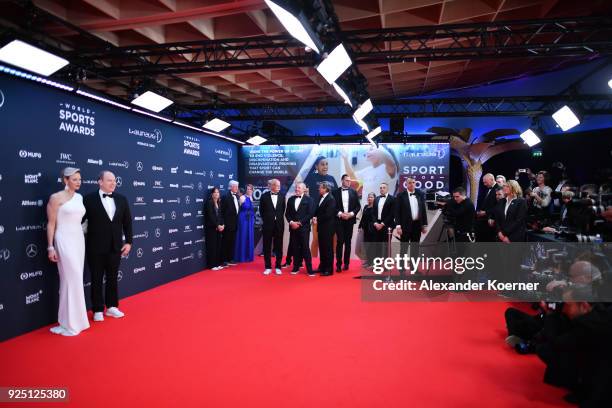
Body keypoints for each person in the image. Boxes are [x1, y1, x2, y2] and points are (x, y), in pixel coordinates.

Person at [82, 170, 132, 322]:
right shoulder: (88, 199)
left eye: (115, 180)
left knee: (112, 278)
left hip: (115, 247)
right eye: (109, 180)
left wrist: (129, 242)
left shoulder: (122, 199)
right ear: (100, 181)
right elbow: (79, 221)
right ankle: (97, 309)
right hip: (95, 247)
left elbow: (127, 223)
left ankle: (112, 307)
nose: (113, 183)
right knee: (96, 278)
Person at [46, 167, 90, 336]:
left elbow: (78, 220)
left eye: (80, 179)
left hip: (78, 239)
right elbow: (51, 224)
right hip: (63, 239)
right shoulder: (56, 198)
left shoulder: (79, 197)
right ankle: (70, 324)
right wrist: (50, 246)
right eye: (74, 179)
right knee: (71, 279)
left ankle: (70, 322)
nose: (78, 182)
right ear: (65, 180)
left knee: (72, 280)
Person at [394, 177, 428, 275]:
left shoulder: (420, 194)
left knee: (415, 248)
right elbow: (397, 212)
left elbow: (423, 211)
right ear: (406, 184)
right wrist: (398, 226)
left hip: (417, 225)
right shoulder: (400, 195)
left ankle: (414, 269)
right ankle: (401, 269)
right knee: (403, 248)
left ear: (415, 183)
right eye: (410, 183)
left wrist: (424, 225)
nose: (412, 184)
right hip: (404, 226)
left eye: (413, 182)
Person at [285, 183, 315, 276]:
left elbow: (310, 214)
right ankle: (295, 267)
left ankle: (309, 269)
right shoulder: (290, 199)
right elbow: (287, 214)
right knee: (295, 248)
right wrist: (291, 222)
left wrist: (299, 223)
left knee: (305, 248)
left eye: (299, 188)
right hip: (293, 228)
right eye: (296, 187)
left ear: (304, 189)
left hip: (304, 228)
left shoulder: (309, 200)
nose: (296, 189)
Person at [332, 174, 360, 272]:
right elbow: (333, 206)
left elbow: (358, 206)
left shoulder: (354, 192)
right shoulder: (335, 192)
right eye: (347, 180)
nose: (349, 182)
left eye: (349, 180)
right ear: (342, 181)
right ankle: (338, 264)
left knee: (348, 242)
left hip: (349, 220)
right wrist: (340, 214)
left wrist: (351, 214)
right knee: (340, 242)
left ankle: (346, 263)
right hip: (339, 220)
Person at [259, 179, 286, 275]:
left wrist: (276, 218)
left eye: (279, 185)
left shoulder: (282, 197)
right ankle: (268, 267)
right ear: (272, 186)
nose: (279, 187)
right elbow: (261, 211)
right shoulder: (264, 196)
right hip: (267, 225)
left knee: (279, 246)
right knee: (267, 246)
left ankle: (278, 266)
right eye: (277, 185)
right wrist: (267, 219)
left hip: (279, 224)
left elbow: (283, 210)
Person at [314, 181, 336, 276]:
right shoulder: (320, 197)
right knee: (322, 248)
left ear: (325, 189)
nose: (319, 189)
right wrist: (314, 216)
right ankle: (322, 267)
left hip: (328, 228)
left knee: (328, 249)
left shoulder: (331, 199)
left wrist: (317, 218)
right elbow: (318, 210)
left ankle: (329, 269)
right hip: (322, 227)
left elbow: (328, 214)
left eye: (320, 187)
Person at [372, 182, 396, 261]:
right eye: (381, 188)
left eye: (384, 187)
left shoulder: (392, 199)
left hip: (387, 225)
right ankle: (377, 264)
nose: (382, 189)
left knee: (386, 246)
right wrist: (375, 223)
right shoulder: (376, 199)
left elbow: (392, 214)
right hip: (377, 225)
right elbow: (373, 213)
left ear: (387, 189)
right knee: (377, 245)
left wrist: (382, 224)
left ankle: (386, 265)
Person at [475, 173, 500, 242]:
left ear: (492, 179)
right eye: (483, 182)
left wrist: (486, 212)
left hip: (491, 221)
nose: (484, 184)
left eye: (486, 182)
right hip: (483, 220)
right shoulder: (487, 189)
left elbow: (498, 206)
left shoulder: (498, 189)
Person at [205, 187, 225, 271]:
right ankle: (212, 265)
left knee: (218, 246)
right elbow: (211, 217)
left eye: (218, 192)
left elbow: (220, 215)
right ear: (212, 194)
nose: (217, 194)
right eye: (215, 192)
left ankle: (217, 263)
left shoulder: (219, 203)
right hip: (211, 228)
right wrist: (217, 225)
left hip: (218, 228)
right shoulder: (209, 203)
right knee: (212, 247)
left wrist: (222, 224)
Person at [234, 184, 255, 263]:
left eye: (251, 189)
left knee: (249, 236)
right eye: (248, 189)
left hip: (250, 220)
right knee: (243, 236)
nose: (249, 190)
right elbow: (239, 209)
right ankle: (241, 256)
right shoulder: (242, 197)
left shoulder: (251, 198)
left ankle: (248, 256)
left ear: (252, 190)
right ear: (246, 190)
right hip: (243, 219)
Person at [221, 180, 240, 267]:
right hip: (227, 224)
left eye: (237, 186)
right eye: (235, 186)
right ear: (231, 187)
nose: (237, 188)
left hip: (234, 224)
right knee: (225, 242)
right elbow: (222, 212)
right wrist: (223, 223)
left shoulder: (237, 196)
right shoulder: (225, 197)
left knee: (232, 242)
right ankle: (224, 260)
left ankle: (230, 259)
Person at [358, 192, 376, 268]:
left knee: (372, 246)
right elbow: (363, 218)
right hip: (365, 229)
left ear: (374, 198)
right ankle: (368, 261)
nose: (370, 198)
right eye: (369, 197)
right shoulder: (365, 206)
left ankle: (373, 263)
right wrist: (360, 226)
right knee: (366, 246)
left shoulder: (376, 207)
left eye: (371, 197)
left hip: (372, 229)